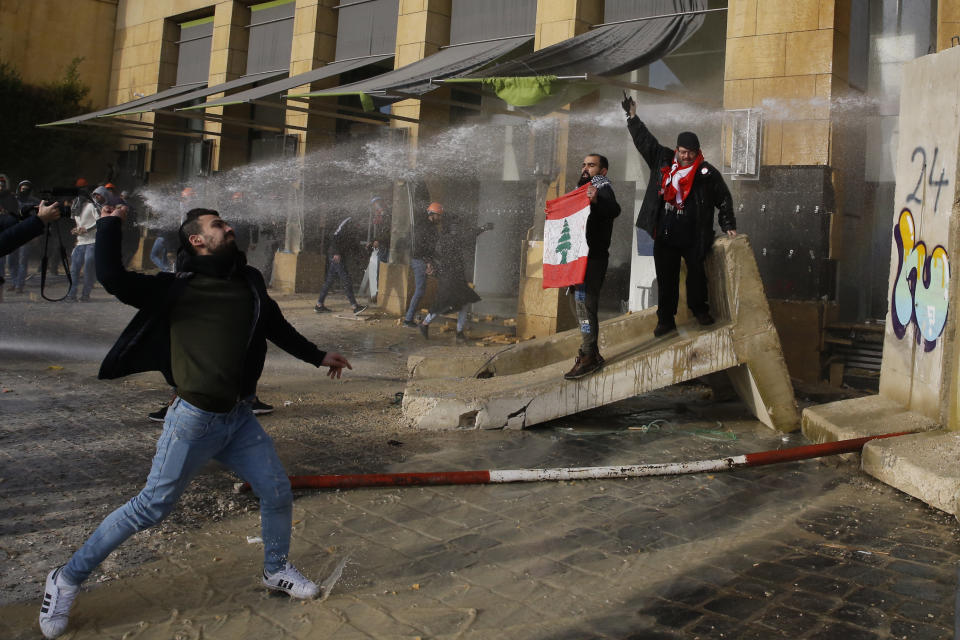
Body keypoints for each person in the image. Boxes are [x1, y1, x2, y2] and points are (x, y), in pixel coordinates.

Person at [38, 206, 352, 639]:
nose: (230, 227)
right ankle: (66, 578)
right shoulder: (176, 289)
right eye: (218, 226)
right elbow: (111, 277)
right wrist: (109, 224)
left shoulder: (249, 280)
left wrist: (318, 356)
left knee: (277, 490)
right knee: (151, 508)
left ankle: (275, 570)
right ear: (197, 241)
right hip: (194, 420)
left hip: (238, 418)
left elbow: (274, 325)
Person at [623, 95, 736, 337]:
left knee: (696, 276)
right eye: (683, 152)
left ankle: (700, 311)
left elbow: (723, 198)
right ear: (677, 150)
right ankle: (665, 320)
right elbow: (645, 141)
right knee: (666, 279)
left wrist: (728, 224)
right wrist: (632, 117)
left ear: (698, 152)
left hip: (694, 235)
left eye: (691, 153)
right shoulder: (663, 160)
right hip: (666, 234)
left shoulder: (706, 173)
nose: (686, 156)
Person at [563, 155, 622, 380]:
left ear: (603, 171)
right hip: (578, 258)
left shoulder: (601, 186)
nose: (585, 168)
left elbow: (614, 209)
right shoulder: (582, 187)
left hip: (592, 259)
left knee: (584, 305)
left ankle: (588, 356)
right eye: (584, 164)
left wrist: (597, 200)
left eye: (591, 165)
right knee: (576, 304)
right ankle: (592, 352)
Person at [417, 206, 492, 342]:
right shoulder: (450, 239)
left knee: (462, 303)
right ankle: (425, 324)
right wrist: (483, 229)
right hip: (449, 278)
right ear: (451, 227)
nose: (457, 228)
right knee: (444, 303)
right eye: (455, 225)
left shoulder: (446, 238)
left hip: (454, 277)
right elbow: (468, 236)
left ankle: (458, 332)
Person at [314, 215, 366, 315]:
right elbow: (335, 236)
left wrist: (360, 254)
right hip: (336, 255)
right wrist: (336, 252)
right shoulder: (348, 222)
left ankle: (319, 305)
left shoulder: (354, 226)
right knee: (346, 279)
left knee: (329, 281)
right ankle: (354, 306)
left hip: (337, 255)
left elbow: (353, 243)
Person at [403, 201, 443, 328]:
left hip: (422, 260)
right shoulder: (425, 227)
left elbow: (429, 248)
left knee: (422, 290)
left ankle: (412, 317)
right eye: (439, 215)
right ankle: (408, 320)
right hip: (420, 260)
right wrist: (428, 263)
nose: (440, 218)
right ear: (432, 214)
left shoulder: (428, 227)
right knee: (420, 291)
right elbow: (420, 247)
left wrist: (439, 258)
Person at [65, 186, 107, 301]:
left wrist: (86, 229)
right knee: (74, 269)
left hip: (92, 242)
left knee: (88, 269)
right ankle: (71, 294)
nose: (73, 201)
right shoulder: (75, 210)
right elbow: (78, 225)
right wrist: (76, 230)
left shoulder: (91, 206)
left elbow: (100, 222)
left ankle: (85, 295)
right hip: (80, 243)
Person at [358, 196, 391, 304]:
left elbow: (388, 233)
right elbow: (381, 234)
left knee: (380, 271)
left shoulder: (388, 215)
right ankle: (375, 294)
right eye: (375, 206)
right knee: (375, 270)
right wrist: (373, 241)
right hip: (383, 247)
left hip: (387, 248)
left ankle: (379, 294)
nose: (377, 208)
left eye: (378, 205)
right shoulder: (382, 216)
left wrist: (377, 241)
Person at [8, 179, 40, 293]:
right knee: (11, 260)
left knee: (22, 260)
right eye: (23, 188)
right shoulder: (12, 200)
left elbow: (39, 219)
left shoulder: (35, 202)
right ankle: (14, 282)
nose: (24, 190)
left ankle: (19, 285)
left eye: (27, 188)